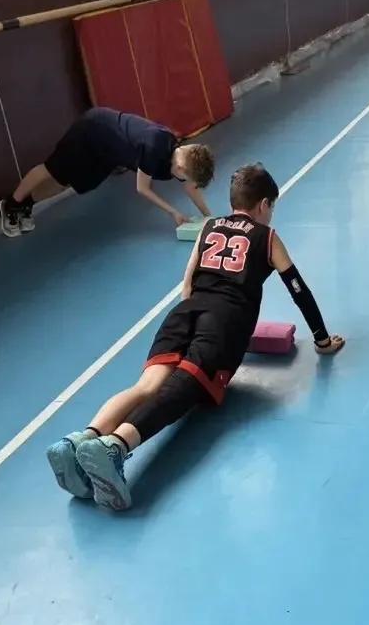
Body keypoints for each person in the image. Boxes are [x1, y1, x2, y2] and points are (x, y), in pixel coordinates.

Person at [45, 162, 345, 511]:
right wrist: (322, 339)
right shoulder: (267, 237)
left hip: (185, 313)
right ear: (263, 204)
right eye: (271, 207)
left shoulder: (210, 227)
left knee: (146, 386)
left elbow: (187, 285)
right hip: (224, 321)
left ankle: (82, 439)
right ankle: (116, 446)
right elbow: (298, 290)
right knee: (184, 387)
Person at [0, 107, 215, 237]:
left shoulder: (180, 159)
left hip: (108, 153)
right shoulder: (154, 148)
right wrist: (173, 212)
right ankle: (11, 203)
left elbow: (191, 186)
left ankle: (27, 204)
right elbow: (142, 188)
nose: (187, 183)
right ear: (180, 168)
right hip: (91, 130)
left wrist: (209, 218)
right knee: (52, 169)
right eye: (187, 178)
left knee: (66, 180)